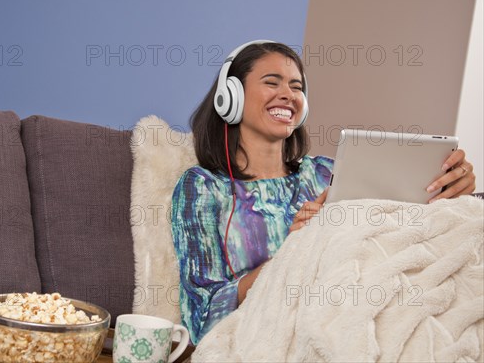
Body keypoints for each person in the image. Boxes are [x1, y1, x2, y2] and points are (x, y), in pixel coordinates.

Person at [170, 40, 476, 345]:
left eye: (296, 87)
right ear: (230, 97)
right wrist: (293, 250)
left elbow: (399, 232)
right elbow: (202, 318)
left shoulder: (327, 174)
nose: (288, 95)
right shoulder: (203, 187)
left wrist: (453, 190)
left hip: (355, 317)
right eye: (271, 82)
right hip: (269, 337)